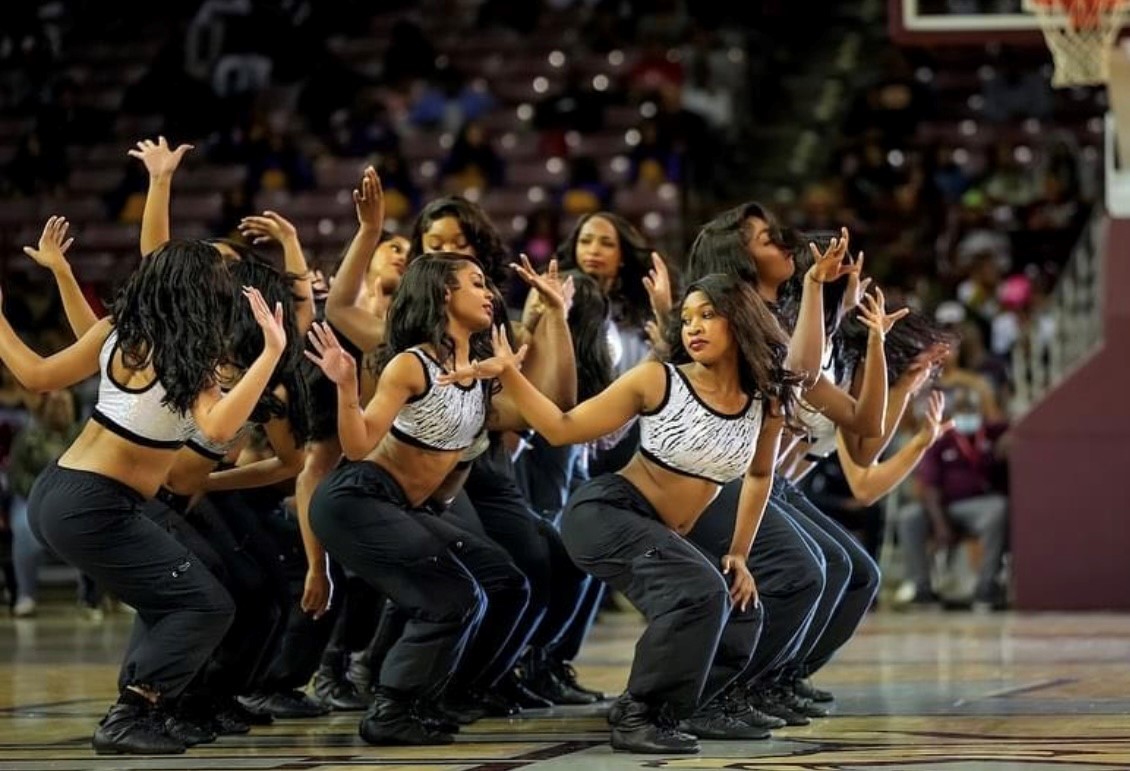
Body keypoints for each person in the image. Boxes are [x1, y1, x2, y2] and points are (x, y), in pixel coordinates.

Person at [443, 272, 795, 754]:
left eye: (708, 315)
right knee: (696, 592)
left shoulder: (765, 402)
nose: (693, 327)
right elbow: (564, 428)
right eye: (687, 318)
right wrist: (509, 374)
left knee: (739, 606)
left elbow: (758, 477)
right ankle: (637, 712)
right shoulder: (658, 379)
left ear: (742, 321)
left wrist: (739, 553)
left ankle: (701, 705)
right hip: (605, 513)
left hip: (656, 529)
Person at [5, 217, 286, 755]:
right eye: (218, 283)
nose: (226, 291)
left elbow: (37, 374)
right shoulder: (184, 354)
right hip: (93, 504)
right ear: (195, 293)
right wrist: (271, 354)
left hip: (65, 494)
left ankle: (154, 707)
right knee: (207, 606)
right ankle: (129, 714)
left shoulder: (124, 335)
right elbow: (221, 428)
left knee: (178, 602)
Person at [304, 252, 561, 745]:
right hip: (357, 499)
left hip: (404, 507)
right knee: (453, 598)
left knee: (506, 583)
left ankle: (446, 694)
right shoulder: (410, 363)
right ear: (444, 293)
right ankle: (389, 710)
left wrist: (516, 364)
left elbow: (539, 422)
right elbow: (358, 447)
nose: (490, 294)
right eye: (477, 283)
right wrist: (344, 386)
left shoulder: (482, 373)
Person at [896, 387, 1010, 610]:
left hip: (977, 506)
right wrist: (940, 525)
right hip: (941, 507)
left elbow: (1019, 426)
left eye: (972, 409)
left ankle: (987, 587)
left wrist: (1008, 439)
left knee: (999, 508)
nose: (968, 414)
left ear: (980, 411)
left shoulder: (990, 432)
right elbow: (929, 488)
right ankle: (922, 589)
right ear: (953, 411)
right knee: (910, 517)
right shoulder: (941, 437)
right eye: (963, 409)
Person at [8, 388, 83, 618]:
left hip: (74, 500)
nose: (60, 407)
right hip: (30, 499)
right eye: (55, 403)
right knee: (22, 527)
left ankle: (92, 599)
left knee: (98, 524)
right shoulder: (28, 437)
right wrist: (40, 492)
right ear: (44, 408)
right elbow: (16, 474)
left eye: (65, 403)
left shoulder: (83, 436)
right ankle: (26, 595)